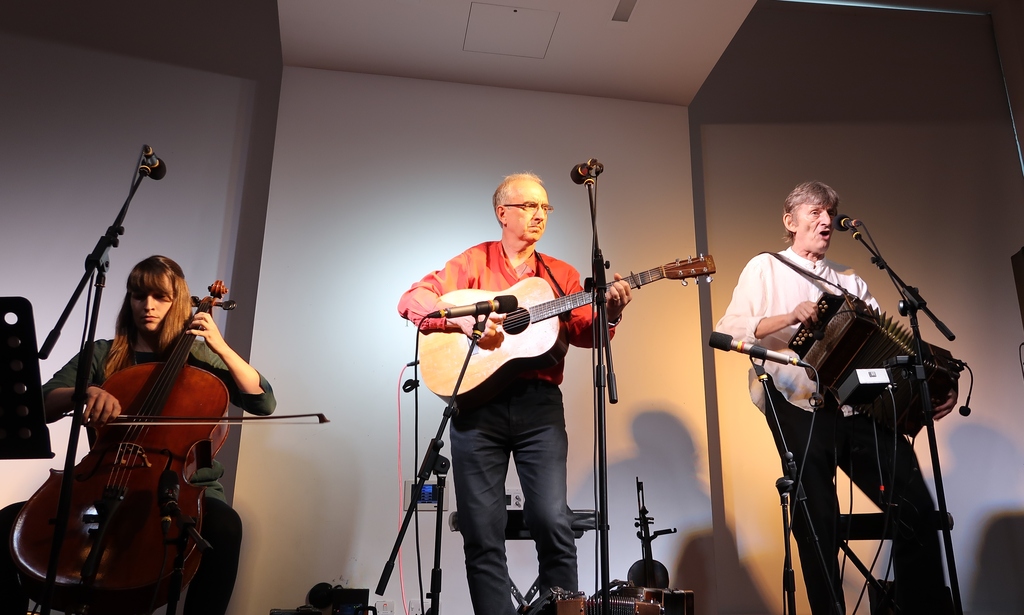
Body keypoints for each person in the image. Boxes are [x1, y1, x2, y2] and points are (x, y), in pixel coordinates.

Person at [714, 181, 956, 614]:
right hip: (799, 405)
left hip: (857, 407)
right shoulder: (765, 267)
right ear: (790, 222)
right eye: (815, 212)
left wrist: (925, 393)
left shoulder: (850, 279)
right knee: (817, 519)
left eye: (830, 213)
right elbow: (730, 330)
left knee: (916, 506)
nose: (826, 221)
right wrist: (788, 317)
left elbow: (888, 349)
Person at [398, 172, 632, 615]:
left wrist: (611, 313)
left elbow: (586, 332)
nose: (539, 215)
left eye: (545, 207)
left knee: (552, 519)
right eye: (528, 206)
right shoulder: (473, 262)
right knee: (481, 529)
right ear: (502, 213)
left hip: (538, 409)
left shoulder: (558, 274)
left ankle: (559, 610)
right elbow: (413, 298)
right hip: (475, 408)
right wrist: (461, 320)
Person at [0, 255, 276, 615]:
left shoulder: (202, 358)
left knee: (224, 527)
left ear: (177, 302)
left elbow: (263, 401)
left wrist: (220, 347)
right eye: (138, 295)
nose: (147, 306)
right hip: (102, 480)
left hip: (178, 490)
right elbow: (44, 404)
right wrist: (83, 391)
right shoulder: (102, 354)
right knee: (8, 522)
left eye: (160, 297)